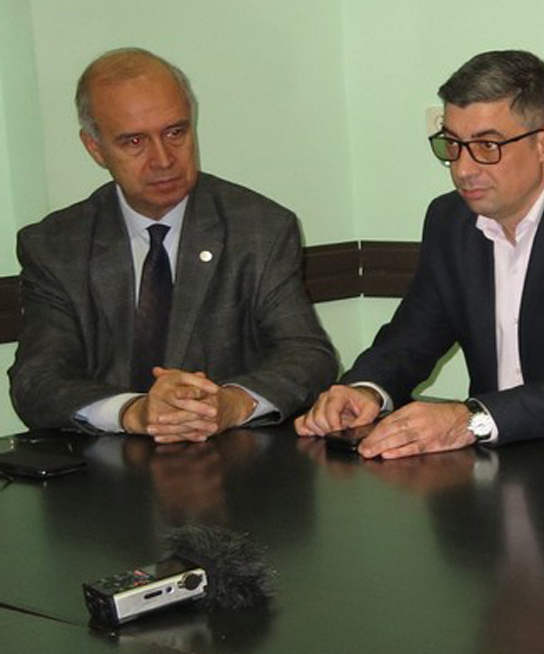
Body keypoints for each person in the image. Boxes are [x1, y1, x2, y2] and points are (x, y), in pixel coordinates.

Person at [295, 50, 544, 458]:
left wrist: (470, 419)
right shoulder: (450, 220)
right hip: (502, 453)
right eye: (453, 145)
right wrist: (365, 389)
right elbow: (413, 336)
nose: (463, 169)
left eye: (486, 146)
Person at [10, 48, 337, 440]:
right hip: (105, 466)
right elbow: (36, 381)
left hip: (232, 460)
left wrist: (233, 403)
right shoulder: (55, 246)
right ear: (95, 148)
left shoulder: (260, 228)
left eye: (175, 132)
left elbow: (308, 356)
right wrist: (132, 411)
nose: (163, 159)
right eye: (134, 141)